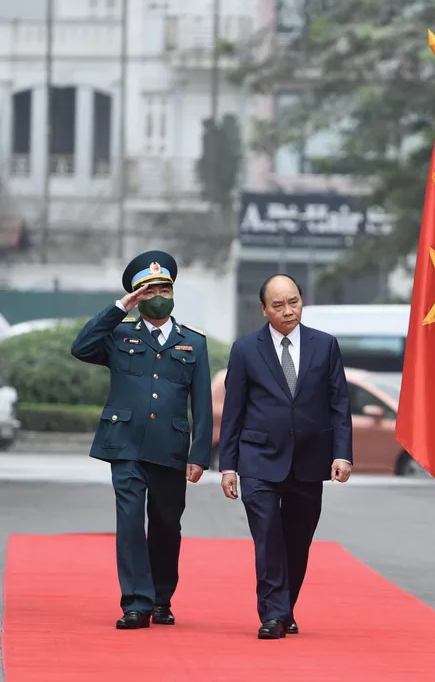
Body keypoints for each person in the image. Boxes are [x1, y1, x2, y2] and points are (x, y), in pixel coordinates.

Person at [70, 250, 212, 630]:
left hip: (170, 446)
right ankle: (136, 602)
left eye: (165, 287)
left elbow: (202, 402)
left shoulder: (193, 343)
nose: (159, 295)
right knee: (130, 522)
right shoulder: (118, 334)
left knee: (167, 524)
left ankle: (162, 598)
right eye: (148, 290)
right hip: (126, 443)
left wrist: (199, 454)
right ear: (136, 296)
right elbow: (81, 347)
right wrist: (120, 308)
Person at [218, 273, 354, 639]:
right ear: (264, 309)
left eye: (293, 301)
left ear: (301, 301)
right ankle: (273, 614)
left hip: (310, 459)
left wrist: (342, 454)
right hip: (259, 458)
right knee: (268, 537)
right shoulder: (246, 349)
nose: (288, 311)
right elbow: (233, 410)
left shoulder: (325, 346)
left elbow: (339, 404)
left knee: (298, 540)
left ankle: (285, 605)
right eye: (278, 305)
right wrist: (228, 465)